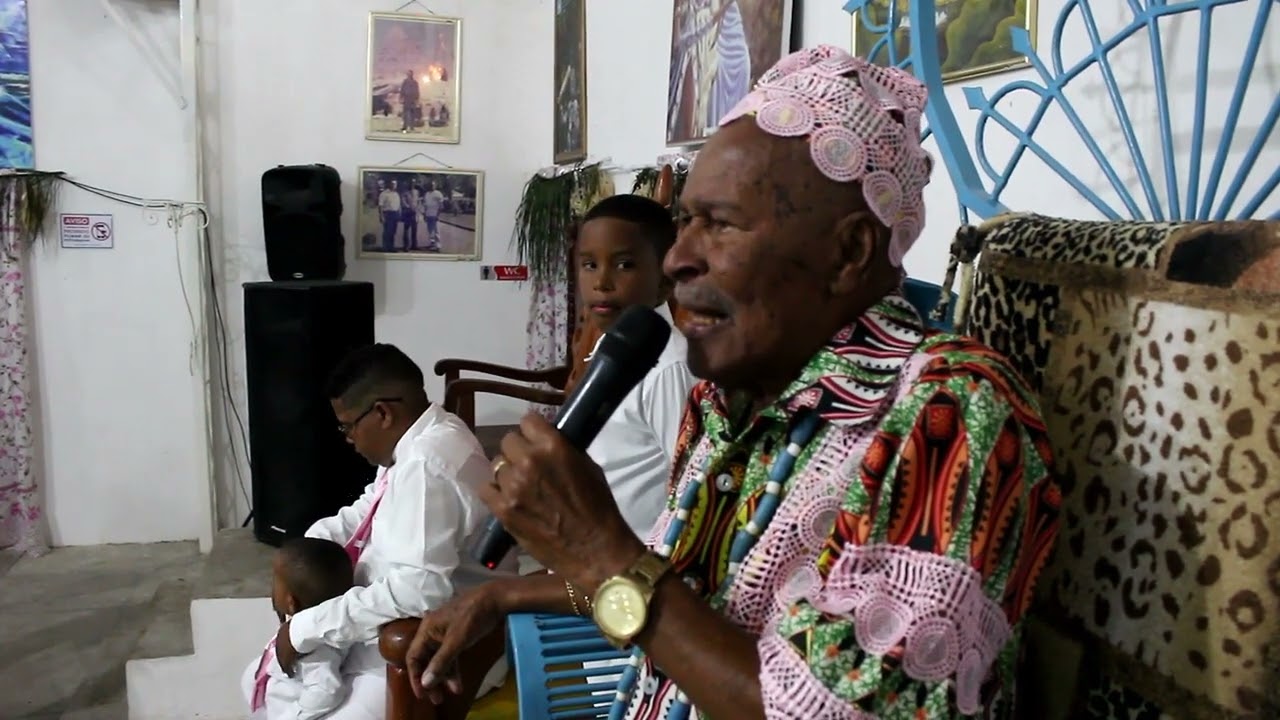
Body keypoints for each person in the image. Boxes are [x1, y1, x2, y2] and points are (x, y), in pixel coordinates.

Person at [404, 45, 1061, 719]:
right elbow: (675, 590)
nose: (680, 259)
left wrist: (602, 553)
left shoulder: (950, 412)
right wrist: (504, 592)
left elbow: (839, 709)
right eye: (686, 221)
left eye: (719, 224)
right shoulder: (726, 397)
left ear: (849, 251)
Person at [249, 343, 515, 720]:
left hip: (436, 647)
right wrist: (297, 559)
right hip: (388, 626)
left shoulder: (427, 465)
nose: (348, 439)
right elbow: (365, 510)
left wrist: (308, 626)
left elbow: (419, 592)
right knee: (268, 683)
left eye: (348, 426)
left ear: (383, 413)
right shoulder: (417, 440)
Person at [571, 193, 696, 539]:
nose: (601, 282)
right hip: (587, 551)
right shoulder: (611, 346)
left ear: (665, 280)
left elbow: (688, 483)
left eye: (624, 265)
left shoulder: (668, 365)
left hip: (630, 568)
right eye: (589, 264)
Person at [243, 538, 354, 720]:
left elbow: (327, 689)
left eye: (275, 582)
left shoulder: (315, 648)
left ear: (291, 602)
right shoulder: (305, 620)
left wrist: (293, 715)